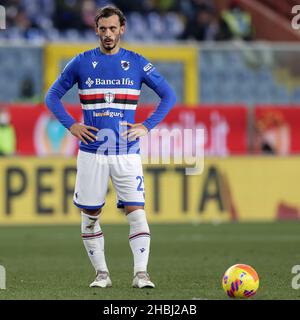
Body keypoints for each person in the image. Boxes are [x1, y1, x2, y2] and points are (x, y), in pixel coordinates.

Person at [45, 5, 176, 289]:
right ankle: (101, 274)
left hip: (126, 152)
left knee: (137, 212)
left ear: (122, 29)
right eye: (103, 29)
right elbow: (52, 96)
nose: (108, 34)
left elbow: (168, 95)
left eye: (113, 29)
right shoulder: (80, 63)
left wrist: (146, 126)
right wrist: (72, 125)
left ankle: (141, 274)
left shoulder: (138, 63)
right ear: (96, 30)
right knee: (90, 218)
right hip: (92, 153)